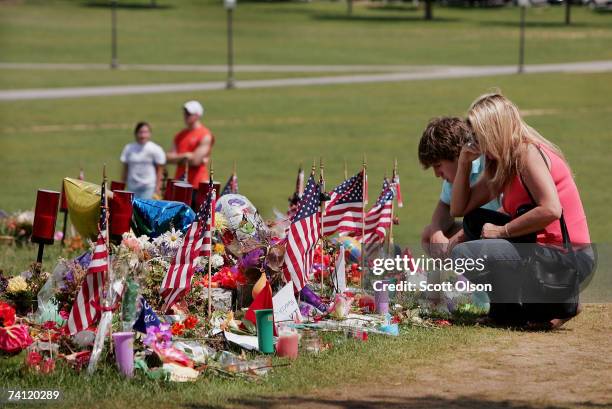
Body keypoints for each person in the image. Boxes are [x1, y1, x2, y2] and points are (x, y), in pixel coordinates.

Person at [449, 92, 594, 328]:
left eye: (477, 133)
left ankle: (554, 303)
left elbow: (550, 210)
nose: (473, 139)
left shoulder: (527, 155)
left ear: (494, 130)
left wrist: (501, 231)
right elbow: (459, 208)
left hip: (567, 257)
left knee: (463, 255)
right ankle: (509, 312)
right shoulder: (501, 163)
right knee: (474, 220)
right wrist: (464, 163)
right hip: (540, 249)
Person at [418, 117, 500, 258]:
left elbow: (506, 212)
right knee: (428, 235)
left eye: (438, 166)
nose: (437, 174)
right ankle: (451, 275)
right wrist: (436, 233)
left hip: (499, 230)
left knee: (459, 248)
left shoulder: (487, 164)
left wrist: (458, 238)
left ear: (457, 154)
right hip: (476, 229)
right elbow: (444, 206)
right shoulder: (453, 179)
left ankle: (466, 277)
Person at [166, 100, 214, 188]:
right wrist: (186, 156)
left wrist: (178, 158)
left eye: (189, 114)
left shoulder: (205, 134)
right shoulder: (180, 135)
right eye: (185, 113)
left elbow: (195, 161)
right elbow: (168, 158)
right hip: (179, 182)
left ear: (197, 115)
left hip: (197, 184)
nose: (185, 116)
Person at [120, 122, 166, 199]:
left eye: (145, 132)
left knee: (145, 210)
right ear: (136, 133)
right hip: (132, 187)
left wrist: (158, 188)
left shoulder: (155, 149)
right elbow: (125, 169)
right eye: (140, 132)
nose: (143, 135)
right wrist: (121, 186)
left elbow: (160, 170)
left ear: (150, 134)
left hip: (148, 187)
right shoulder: (129, 148)